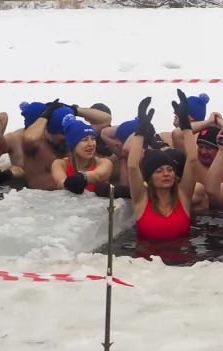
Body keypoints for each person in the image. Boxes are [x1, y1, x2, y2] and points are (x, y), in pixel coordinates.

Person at [126, 93, 201, 241]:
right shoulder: (141, 199)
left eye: (170, 169)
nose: (166, 174)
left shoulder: (183, 195)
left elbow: (192, 160)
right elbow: (132, 166)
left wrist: (185, 125)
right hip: (148, 264)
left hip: (184, 263)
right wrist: (140, 130)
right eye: (159, 171)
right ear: (149, 177)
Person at [17, 99, 112, 190]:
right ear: (47, 131)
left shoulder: (74, 139)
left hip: (76, 197)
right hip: (42, 199)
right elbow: (29, 138)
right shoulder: (36, 146)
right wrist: (45, 115)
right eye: (62, 134)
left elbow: (105, 120)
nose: (67, 137)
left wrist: (74, 109)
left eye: (68, 133)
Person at [51, 115, 114, 195]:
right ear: (73, 145)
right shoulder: (60, 164)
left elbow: (97, 176)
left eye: (93, 139)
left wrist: (83, 177)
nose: (91, 144)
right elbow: (60, 183)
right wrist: (68, 184)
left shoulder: (104, 163)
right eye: (85, 140)